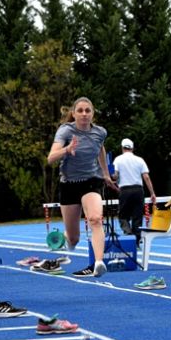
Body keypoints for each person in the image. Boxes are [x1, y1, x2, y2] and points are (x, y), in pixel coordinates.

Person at [47, 97, 118, 277]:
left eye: (88, 110)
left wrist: (105, 174)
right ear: (74, 113)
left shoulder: (100, 132)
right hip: (69, 184)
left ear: (92, 113)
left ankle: (99, 262)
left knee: (95, 219)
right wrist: (66, 149)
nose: (84, 114)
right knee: (73, 238)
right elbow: (51, 158)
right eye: (80, 111)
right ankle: (68, 241)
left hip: (91, 181)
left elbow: (100, 148)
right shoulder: (66, 131)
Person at [112, 138, 156, 245]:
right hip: (138, 190)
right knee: (137, 215)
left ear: (122, 148)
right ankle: (136, 240)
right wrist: (152, 193)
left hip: (125, 190)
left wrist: (112, 177)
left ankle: (128, 234)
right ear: (132, 148)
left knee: (123, 215)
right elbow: (146, 177)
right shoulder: (140, 160)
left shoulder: (118, 159)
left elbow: (115, 175)